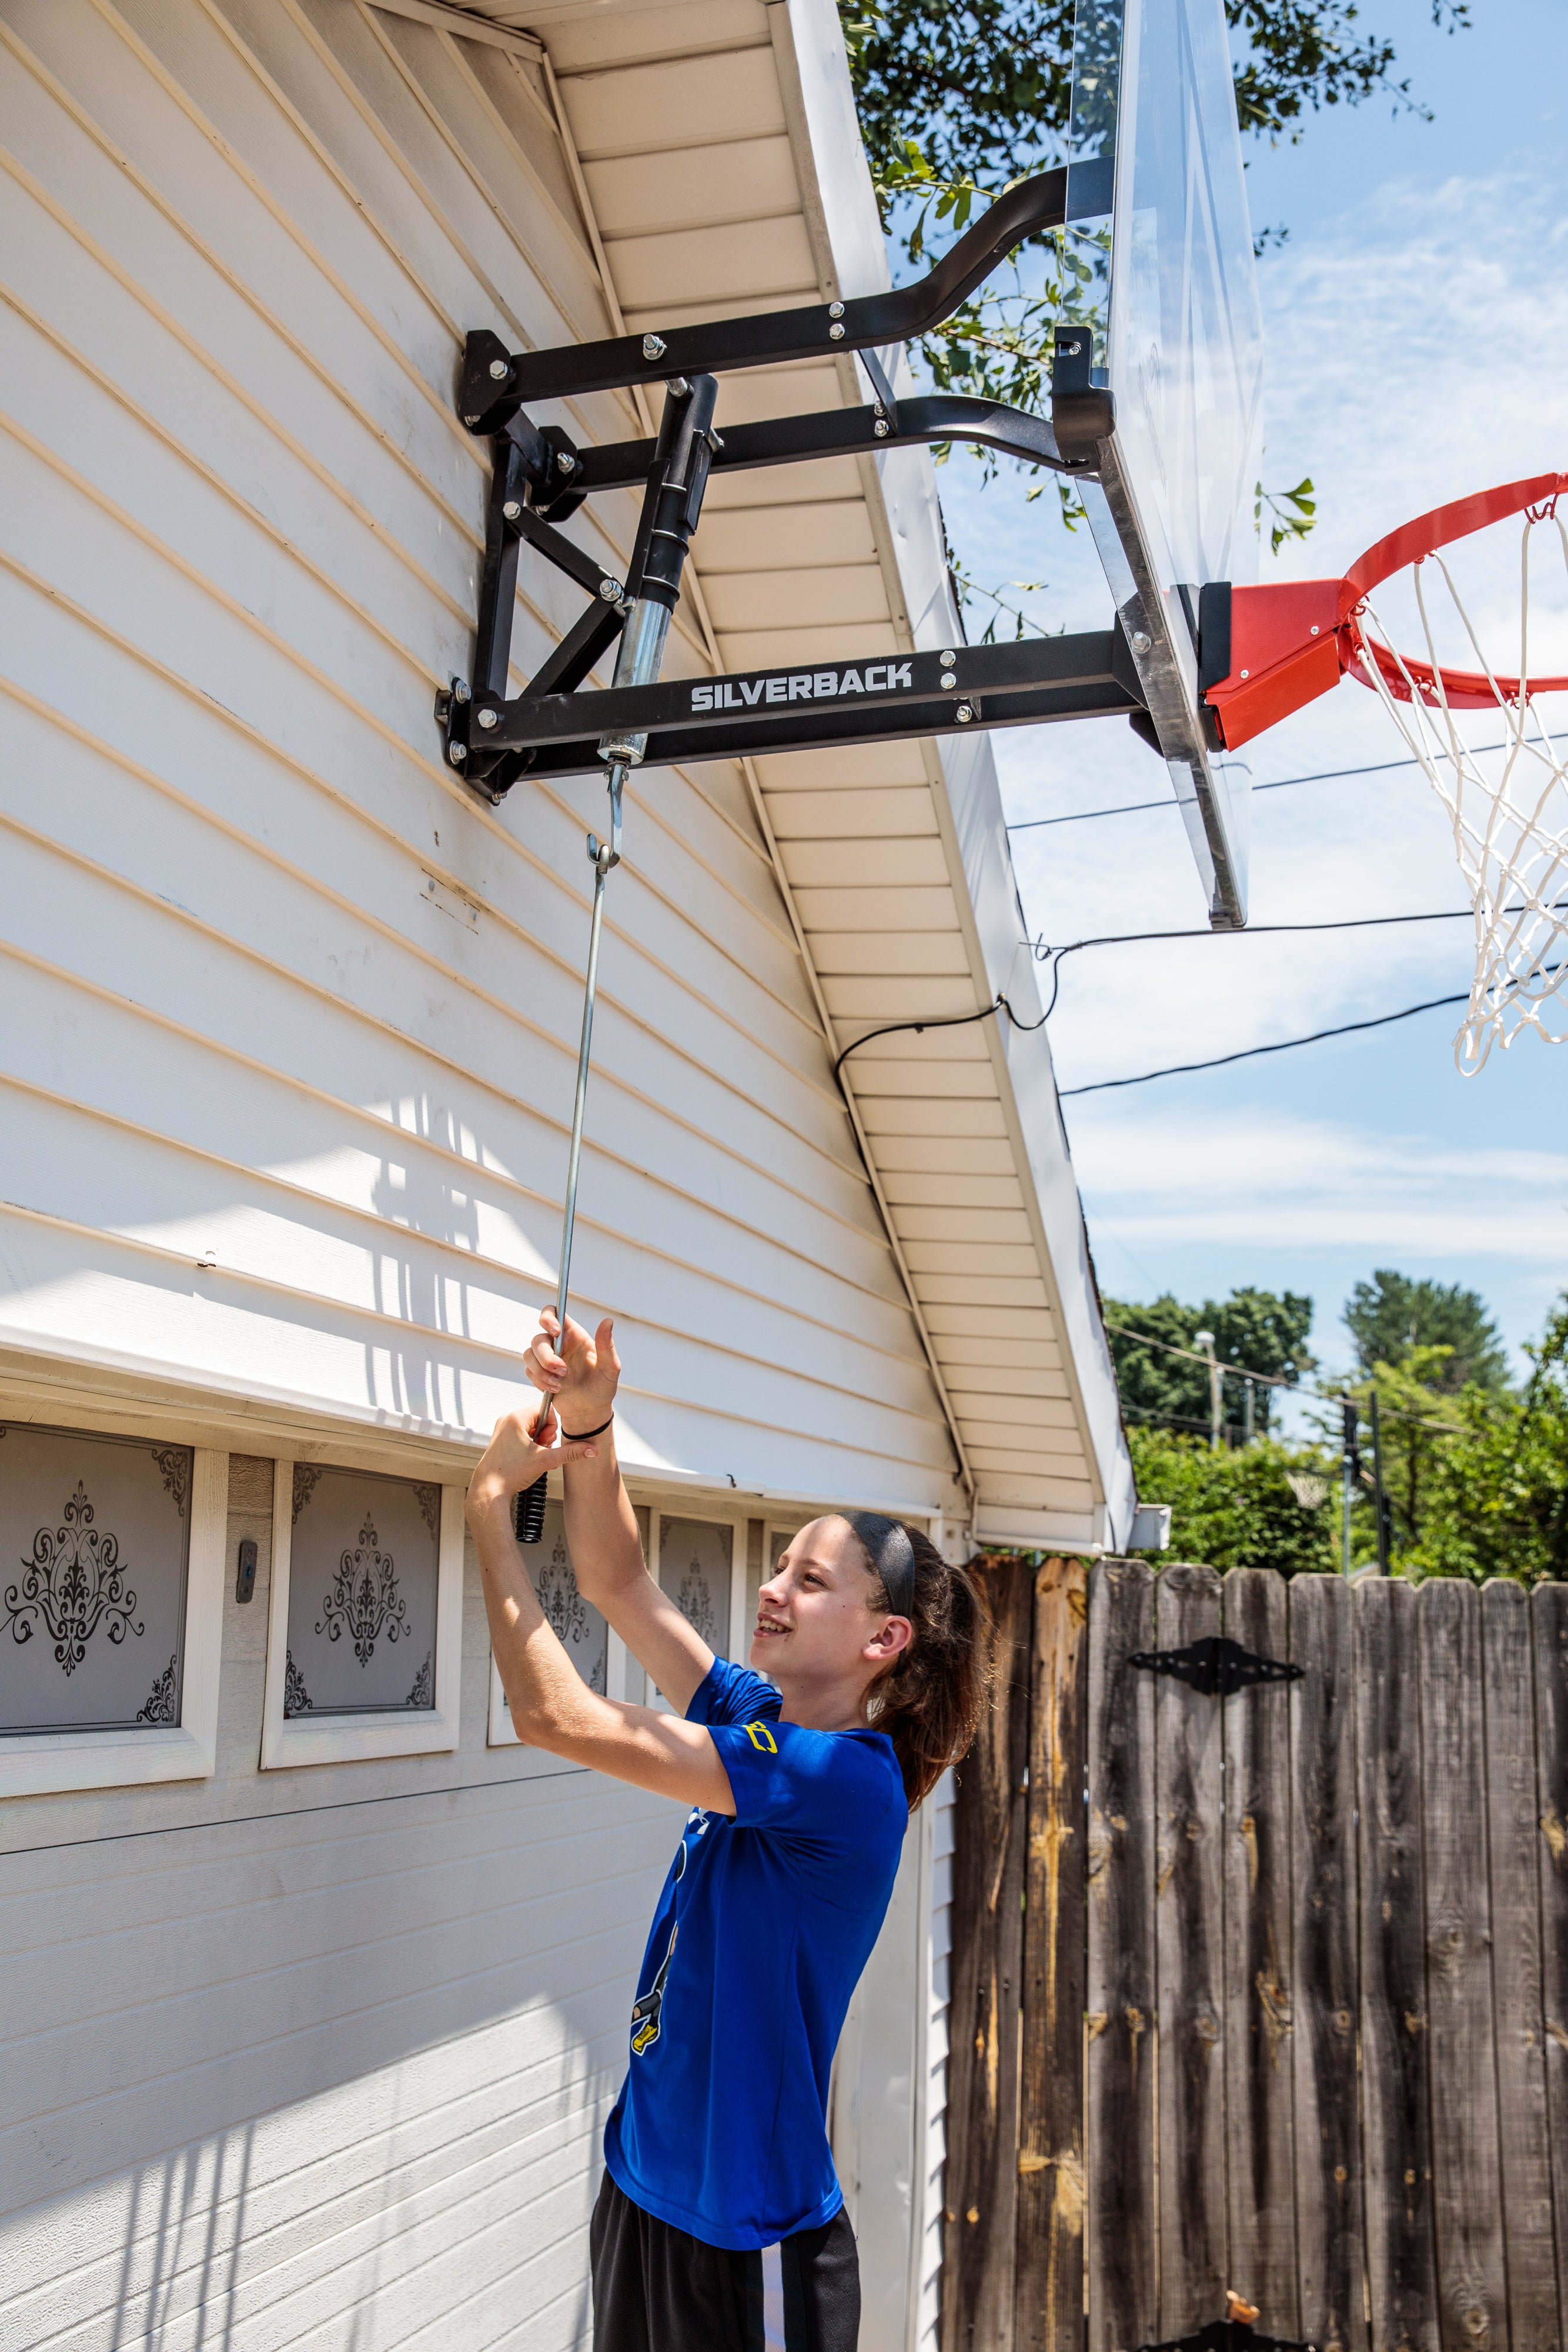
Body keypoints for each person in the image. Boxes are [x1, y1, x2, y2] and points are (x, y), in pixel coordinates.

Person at [465, 1307, 990, 2352]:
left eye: (810, 1579)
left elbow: (555, 1718)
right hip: (645, 2188)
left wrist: (489, 1511)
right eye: (781, 1565)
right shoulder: (759, 1720)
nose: (772, 1587)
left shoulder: (848, 1781)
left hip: (750, 2247)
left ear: (886, 1639)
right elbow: (618, 1580)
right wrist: (590, 1422)